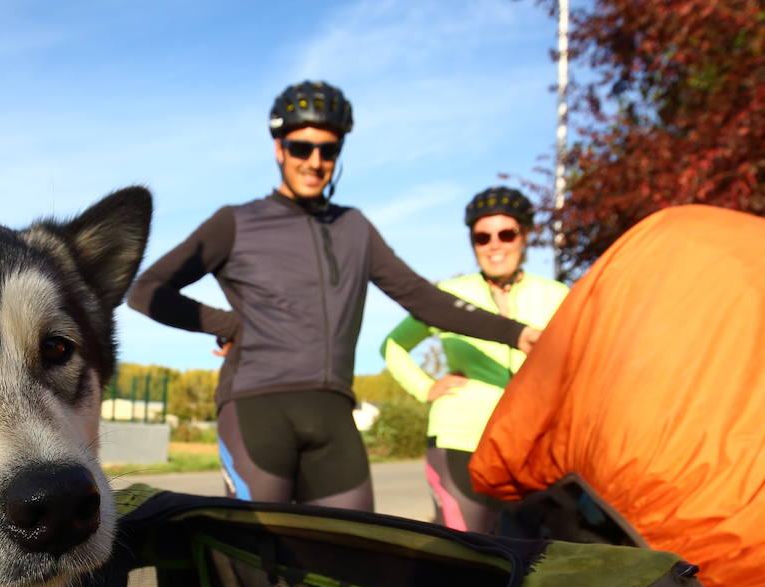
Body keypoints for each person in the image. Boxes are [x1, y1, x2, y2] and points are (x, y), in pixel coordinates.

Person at [126, 80, 540, 510]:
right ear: (279, 150)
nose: (315, 161)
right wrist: (226, 324)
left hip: (334, 413)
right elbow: (147, 289)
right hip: (256, 406)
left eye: (329, 151)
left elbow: (420, 297)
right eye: (302, 148)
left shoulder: (354, 227)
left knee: (353, 557)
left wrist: (518, 334)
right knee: (252, 559)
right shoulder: (237, 222)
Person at [381, 186, 568, 532]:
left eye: (506, 234)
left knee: (536, 556)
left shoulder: (557, 296)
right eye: (482, 238)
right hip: (460, 435)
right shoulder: (449, 296)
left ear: (524, 236)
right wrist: (425, 388)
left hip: (536, 441)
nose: (494, 245)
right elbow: (392, 346)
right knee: (465, 552)